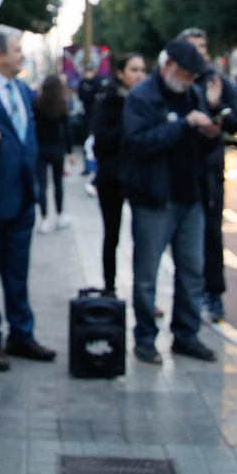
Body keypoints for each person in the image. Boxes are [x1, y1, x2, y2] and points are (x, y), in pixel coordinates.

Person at [121, 38, 220, 364]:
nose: (190, 81)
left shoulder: (192, 94)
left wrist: (209, 133)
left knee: (192, 269)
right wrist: (180, 125)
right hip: (153, 199)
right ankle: (146, 339)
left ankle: (186, 334)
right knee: (147, 274)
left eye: (194, 76)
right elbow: (139, 144)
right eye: (186, 74)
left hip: (189, 196)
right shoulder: (142, 96)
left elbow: (203, 147)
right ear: (168, 67)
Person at [0, 25, 58, 370]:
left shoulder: (22, 90)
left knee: (18, 274)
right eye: (16, 49)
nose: (21, 54)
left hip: (23, 198)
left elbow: (27, 140)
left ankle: (22, 335)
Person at [178, 28, 237, 324]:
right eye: (192, 46)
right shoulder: (175, 82)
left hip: (209, 169)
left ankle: (213, 294)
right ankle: (184, 296)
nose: (199, 51)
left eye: (202, 46)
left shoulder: (217, 81)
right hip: (179, 168)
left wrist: (215, 105)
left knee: (210, 232)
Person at [90, 52, 147, 296]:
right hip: (112, 178)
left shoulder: (148, 101)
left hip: (141, 178)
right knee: (111, 235)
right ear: (120, 73)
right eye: (133, 70)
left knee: (145, 239)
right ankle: (110, 287)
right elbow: (100, 143)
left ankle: (144, 293)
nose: (139, 75)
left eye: (142, 70)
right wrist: (127, 120)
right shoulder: (107, 102)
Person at [33, 73, 75, 233]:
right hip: (57, 149)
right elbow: (67, 130)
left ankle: (44, 219)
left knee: (42, 185)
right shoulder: (62, 105)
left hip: (41, 148)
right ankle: (60, 215)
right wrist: (70, 151)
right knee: (58, 183)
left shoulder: (36, 104)